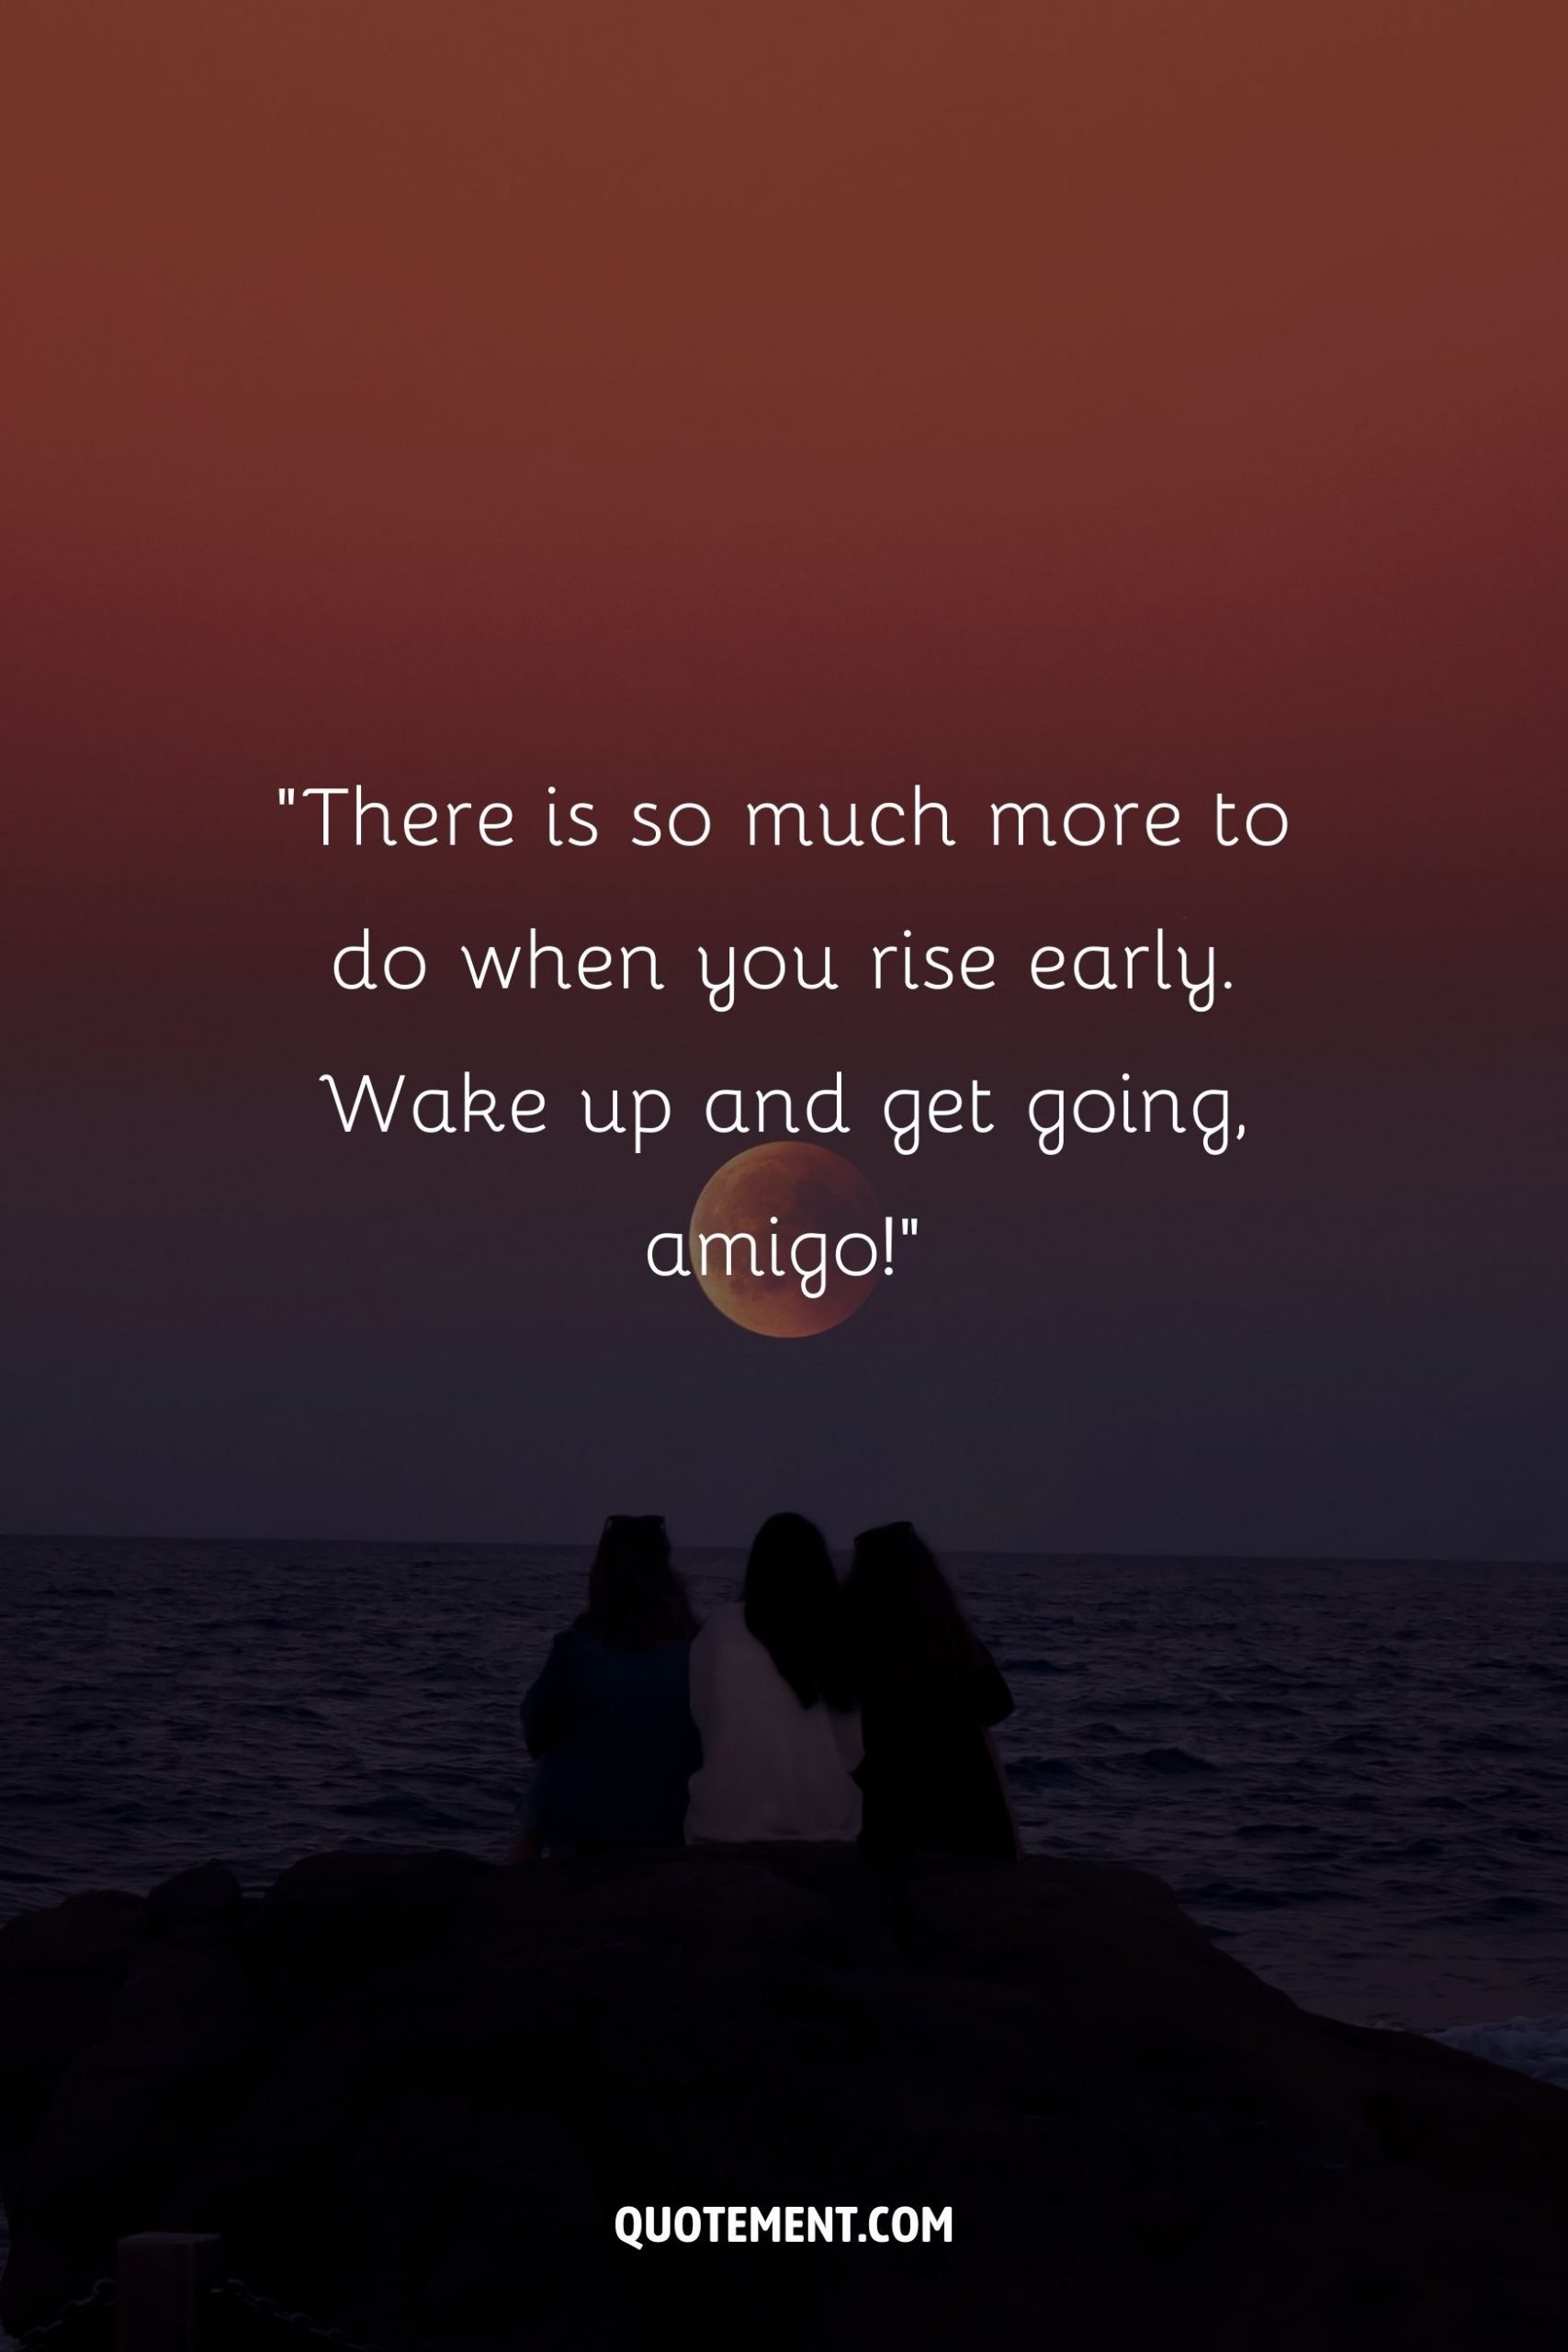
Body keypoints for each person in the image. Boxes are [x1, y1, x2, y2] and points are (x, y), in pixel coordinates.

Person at [518, 1515, 701, 1853]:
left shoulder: (578, 1648)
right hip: (673, 1824)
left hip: (586, 1834)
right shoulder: (697, 1648)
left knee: (560, 1739)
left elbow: (535, 1731)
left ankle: (526, 1851)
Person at [844, 1521, 1018, 1860]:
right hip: (970, 1827)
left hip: (889, 1828)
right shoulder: (958, 1647)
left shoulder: (853, 1650)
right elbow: (992, 1721)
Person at [685, 1512, 863, 1843]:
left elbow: (703, 1718)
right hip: (819, 1821)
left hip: (723, 1821)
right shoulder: (833, 1634)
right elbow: (853, 1751)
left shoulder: (720, 1628)